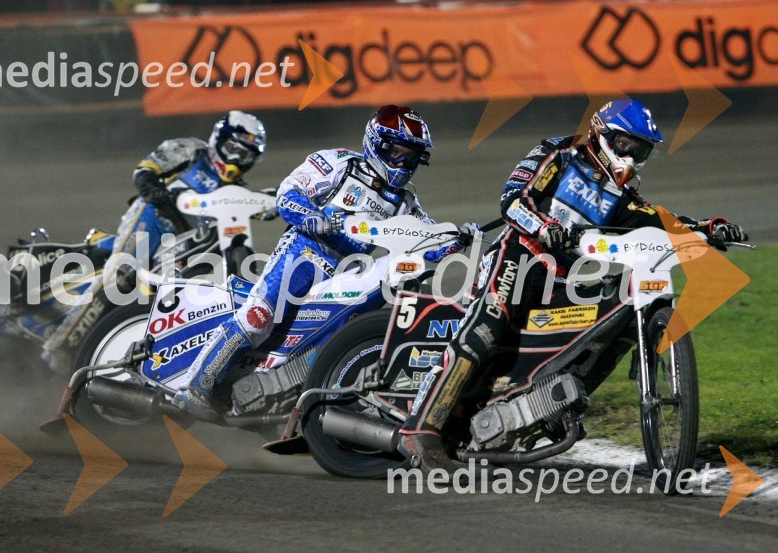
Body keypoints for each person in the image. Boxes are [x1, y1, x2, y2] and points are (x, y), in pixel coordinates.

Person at [397, 98, 748, 472]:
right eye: (625, 144)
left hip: (564, 279)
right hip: (520, 254)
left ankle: (552, 406)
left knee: (614, 323)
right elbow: (513, 201)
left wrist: (707, 228)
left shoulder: (621, 197)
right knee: (487, 328)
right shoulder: (560, 153)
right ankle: (421, 429)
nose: (630, 157)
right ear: (602, 134)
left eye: (641, 150)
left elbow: (657, 222)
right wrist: (544, 227)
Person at [172, 105, 477, 421]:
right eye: (398, 152)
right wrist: (310, 216)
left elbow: (426, 246)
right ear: (378, 143)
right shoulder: (338, 163)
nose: (404, 163)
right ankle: (194, 386)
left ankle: (288, 394)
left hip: (346, 271)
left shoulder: (406, 203)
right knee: (258, 316)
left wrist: (457, 241)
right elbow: (287, 194)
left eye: (411, 156)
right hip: (302, 253)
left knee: (336, 337)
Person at [41, 111, 267, 371]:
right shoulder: (192, 150)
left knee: (167, 298)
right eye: (233, 150)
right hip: (154, 217)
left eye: (245, 156)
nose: (236, 160)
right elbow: (145, 171)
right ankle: (58, 347)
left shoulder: (237, 191)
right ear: (219, 140)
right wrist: (156, 191)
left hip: (183, 242)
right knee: (121, 274)